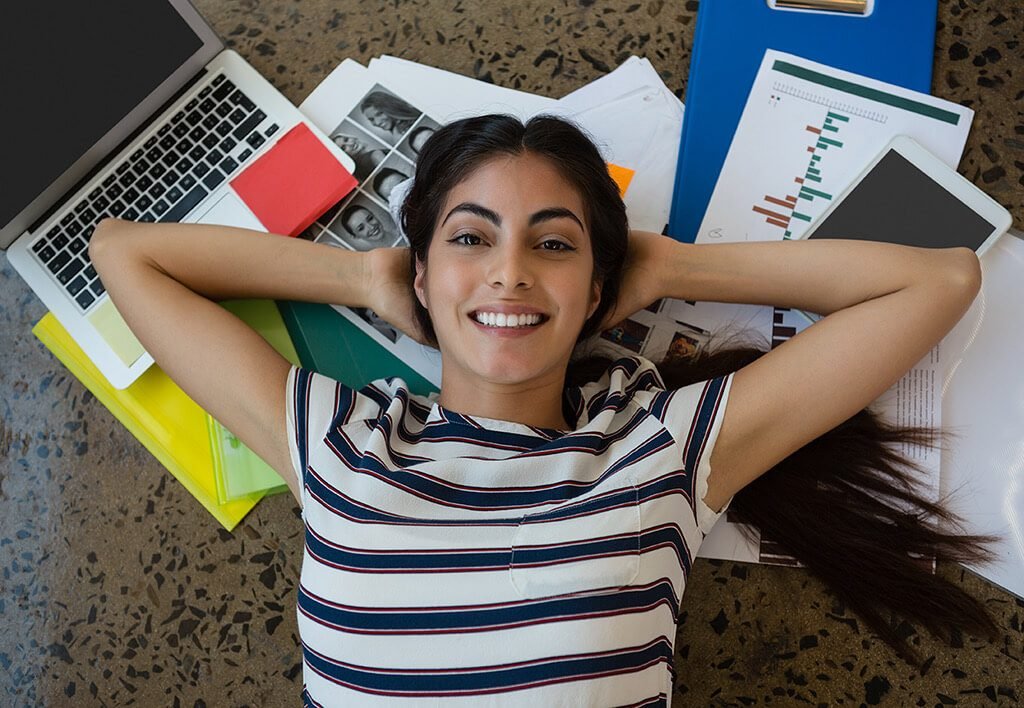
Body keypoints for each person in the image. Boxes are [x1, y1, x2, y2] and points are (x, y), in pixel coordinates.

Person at [89, 114, 997, 705]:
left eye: (552, 243)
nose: (511, 270)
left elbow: (940, 278)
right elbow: (124, 252)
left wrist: (673, 266)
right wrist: (365, 275)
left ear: (600, 285)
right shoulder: (343, 449)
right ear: (424, 270)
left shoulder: (659, 451)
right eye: (470, 237)